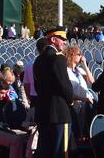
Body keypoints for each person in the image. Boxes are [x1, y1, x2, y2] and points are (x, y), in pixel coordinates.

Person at [33, 26, 74, 158]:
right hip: (59, 112)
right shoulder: (58, 58)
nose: (64, 42)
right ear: (53, 39)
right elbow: (65, 85)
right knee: (61, 151)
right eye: (62, 39)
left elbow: (38, 86)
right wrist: (71, 100)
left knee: (45, 150)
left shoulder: (38, 59)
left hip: (43, 111)